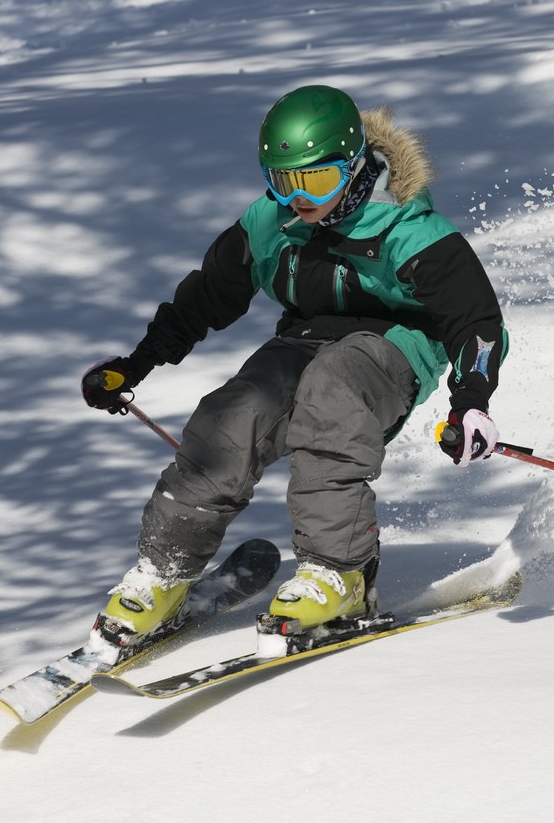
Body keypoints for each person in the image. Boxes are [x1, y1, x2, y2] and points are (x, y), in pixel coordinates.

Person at [82, 84, 507, 643]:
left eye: (316, 180)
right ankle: (165, 572)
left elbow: (476, 321)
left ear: (353, 166)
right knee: (229, 416)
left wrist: (471, 402)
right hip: (308, 337)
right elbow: (207, 295)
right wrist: (137, 365)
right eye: (283, 182)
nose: (298, 199)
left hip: (399, 342)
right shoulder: (272, 223)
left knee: (332, 395)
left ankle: (340, 573)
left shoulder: (410, 230)